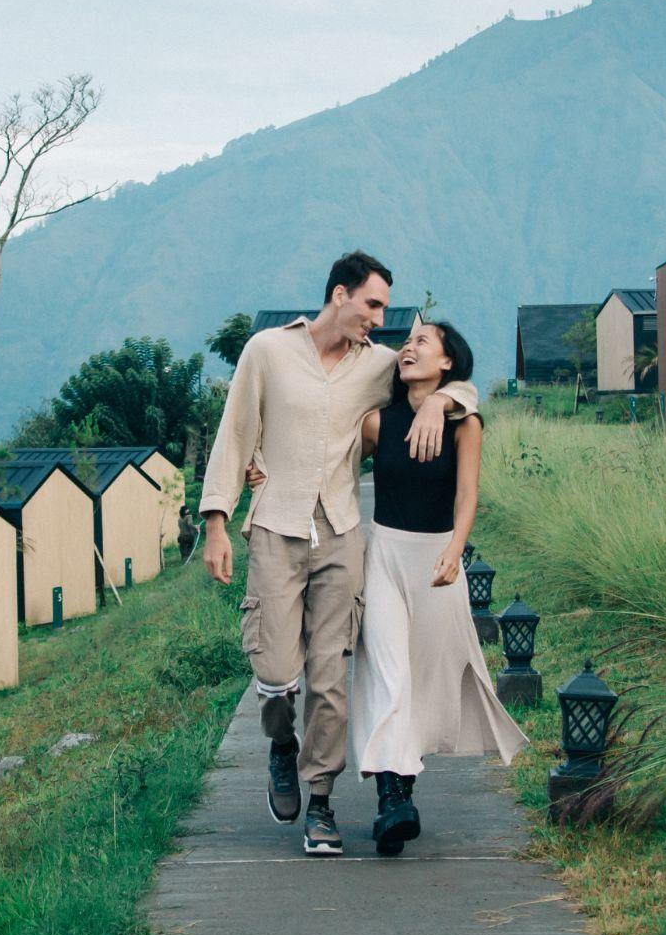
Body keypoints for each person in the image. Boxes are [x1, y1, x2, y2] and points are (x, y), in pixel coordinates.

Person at [199, 251, 477, 857]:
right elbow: (234, 433)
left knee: (330, 677)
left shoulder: (378, 365)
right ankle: (281, 745)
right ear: (340, 294)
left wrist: (442, 402)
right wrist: (216, 521)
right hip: (275, 525)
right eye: (373, 305)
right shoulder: (267, 351)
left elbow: (453, 379)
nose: (380, 319)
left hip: (341, 532)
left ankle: (320, 802)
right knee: (277, 675)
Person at [327, 321, 525, 854]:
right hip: (385, 557)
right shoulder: (377, 422)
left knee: (423, 680)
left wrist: (456, 549)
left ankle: (401, 790)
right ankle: (392, 799)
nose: (408, 348)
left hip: (438, 561)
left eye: (422, 342)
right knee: (388, 676)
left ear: (447, 363)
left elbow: (467, 494)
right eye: (407, 343)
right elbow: (332, 462)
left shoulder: (466, 423)